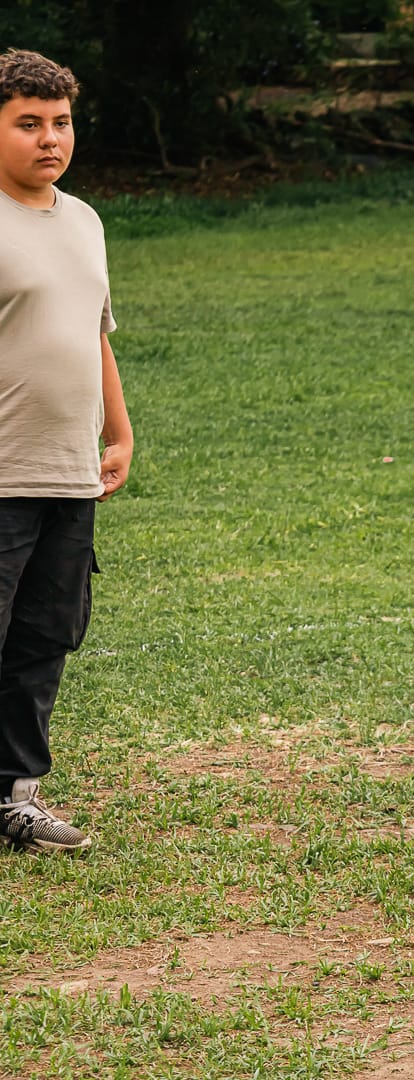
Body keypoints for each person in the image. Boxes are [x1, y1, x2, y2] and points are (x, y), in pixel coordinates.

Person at [0, 49, 133, 851]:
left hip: (68, 472)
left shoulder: (84, 220)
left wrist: (118, 432)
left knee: (45, 637)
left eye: (61, 122)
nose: (50, 139)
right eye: (28, 124)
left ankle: (14, 796)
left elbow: (95, 334)